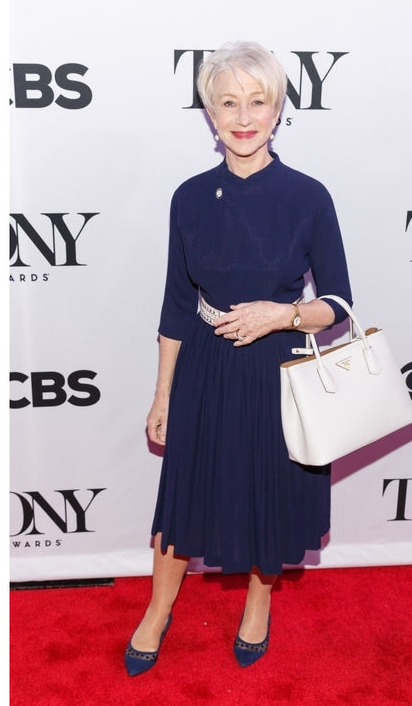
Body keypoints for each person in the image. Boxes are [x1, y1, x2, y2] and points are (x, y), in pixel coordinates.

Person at [124, 40, 353, 676]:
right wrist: (163, 393)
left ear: (278, 109)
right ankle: (156, 609)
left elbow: (337, 301)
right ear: (210, 113)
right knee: (183, 495)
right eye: (228, 102)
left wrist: (281, 314)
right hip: (204, 364)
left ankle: (259, 603)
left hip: (277, 369)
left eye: (258, 101)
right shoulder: (189, 197)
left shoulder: (308, 196)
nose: (243, 116)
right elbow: (175, 305)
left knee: (264, 495)